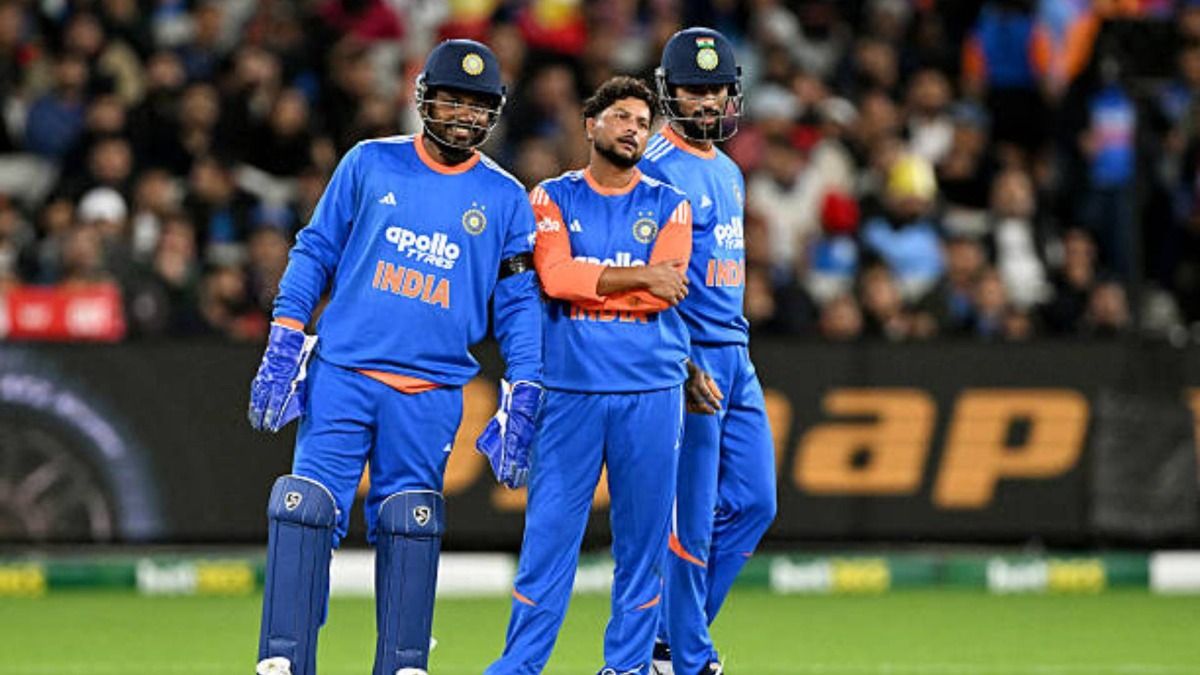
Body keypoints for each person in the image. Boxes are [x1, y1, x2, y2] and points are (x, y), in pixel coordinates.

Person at [246, 39, 543, 675]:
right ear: (424, 98)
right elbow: (315, 250)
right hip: (343, 375)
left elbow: (519, 305)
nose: (464, 114)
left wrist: (525, 387)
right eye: (453, 99)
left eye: (478, 104)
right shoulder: (369, 163)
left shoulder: (505, 197)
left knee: (411, 524)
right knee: (304, 510)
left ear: (494, 113)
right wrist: (285, 337)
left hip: (431, 392)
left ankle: (404, 664)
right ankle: (282, 661)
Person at [486, 75, 694, 675]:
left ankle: (625, 667)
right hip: (571, 393)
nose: (633, 128)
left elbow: (669, 287)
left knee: (641, 549)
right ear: (590, 124)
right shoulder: (550, 198)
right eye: (622, 117)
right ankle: (519, 666)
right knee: (548, 544)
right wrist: (634, 279)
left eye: (642, 122)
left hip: (651, 391)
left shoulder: (668, 204)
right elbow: (553, 277)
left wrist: (596, 279)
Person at [640, 28, 778, 675]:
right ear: (670, 94)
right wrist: (678, 361)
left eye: (716, 89)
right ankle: (689, 656)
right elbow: (643, 278)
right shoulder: (653, 168)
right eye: (694, 90)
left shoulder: (728, 169)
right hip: (686, 356)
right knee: (689, 519)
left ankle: (666, 640)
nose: (706, 101)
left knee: (754, 501)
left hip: (736, 352)